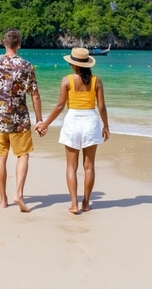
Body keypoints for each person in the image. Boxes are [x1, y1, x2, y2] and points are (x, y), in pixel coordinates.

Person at [36, 47, 110, 214]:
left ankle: (74, 204)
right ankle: (86, 203)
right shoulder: (96, 81)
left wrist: (45, 124)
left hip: (73, 122)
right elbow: (102, 107)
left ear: (73, 65)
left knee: (71, 166)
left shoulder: (66, 80)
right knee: (89, 166)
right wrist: (106, 126)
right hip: (91, 121)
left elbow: (60, 106)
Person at [0, 28, 43, 212]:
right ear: (19, 44)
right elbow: (35, 95)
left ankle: (3, 200)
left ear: (4, 43)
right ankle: (19, 194)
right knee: (23, 155)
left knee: (1, 158)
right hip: (19, 120)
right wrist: (39, 119)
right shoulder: (27, 66)